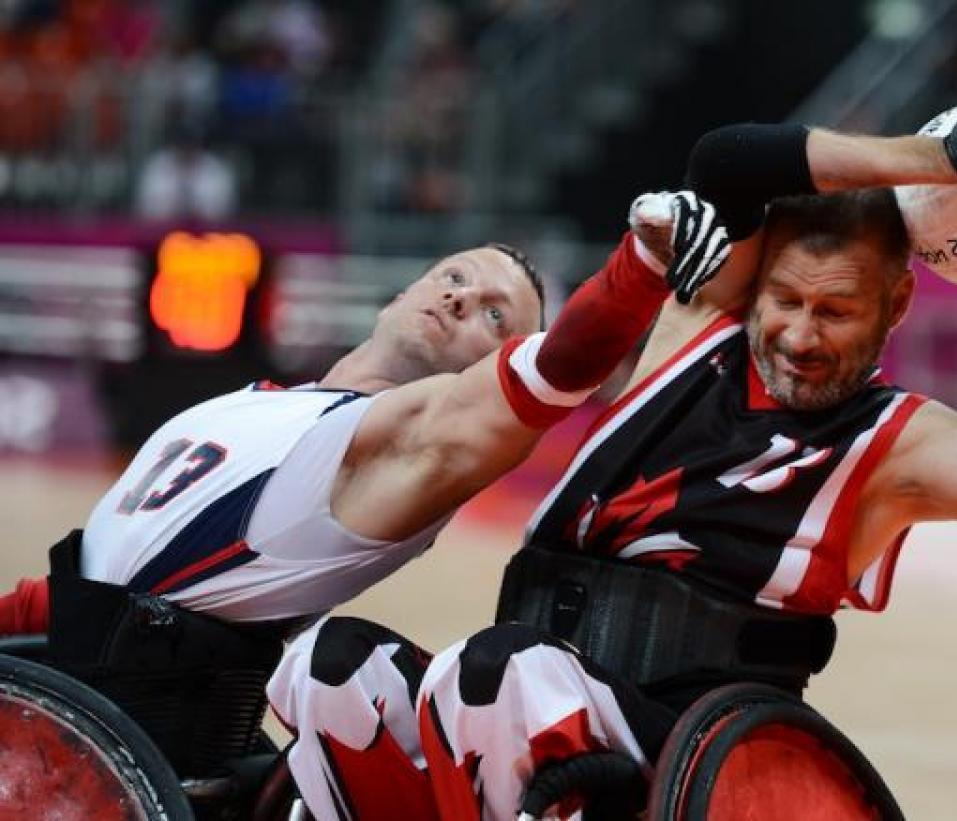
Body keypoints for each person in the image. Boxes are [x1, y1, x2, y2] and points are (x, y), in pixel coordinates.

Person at [267, 48, 957, 820]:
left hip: (677, 752)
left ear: (896, 306)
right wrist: (942, 158)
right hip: (521, 689)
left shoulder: (895, 441)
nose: (799, 332)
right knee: (329, 666)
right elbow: (727, 160)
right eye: (786, 300)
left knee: (496, 673)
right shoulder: (702, 327)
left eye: (835, 311)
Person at [0, 190, 731, 777]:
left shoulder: (398, 446)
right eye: (454, 276)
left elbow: (558, 371)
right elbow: (97, 576)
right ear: (403, 291)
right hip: (51, 702)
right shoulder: (245, 404)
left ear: (495, 361)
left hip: (110, 746)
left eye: (493, 314)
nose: (459, 299)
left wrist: (641, 262)